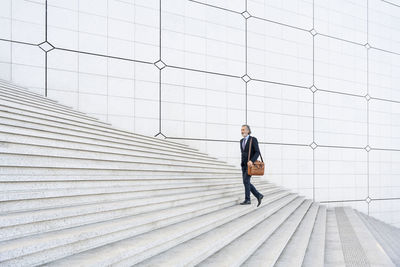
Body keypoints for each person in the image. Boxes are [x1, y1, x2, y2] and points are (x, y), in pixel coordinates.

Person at [239, 124, 264, 207]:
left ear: (248, 131)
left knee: (246, 181)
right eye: (241, 130)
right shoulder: (241, 141)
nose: (242, 131)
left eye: (243, 129)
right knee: (246, 181)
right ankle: (258, 195)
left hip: (250, 165)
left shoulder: (253, 139)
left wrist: (252, 161)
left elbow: (257, 152)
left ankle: (248, 199)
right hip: (243, 165)